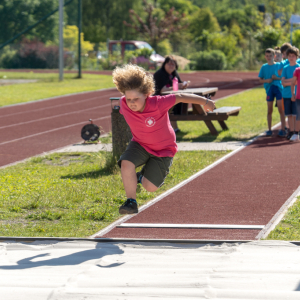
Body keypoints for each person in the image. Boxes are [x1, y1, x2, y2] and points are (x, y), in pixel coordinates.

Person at [112, 64, 215, 214]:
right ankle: (131, 202)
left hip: (164, 149)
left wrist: (205, 102)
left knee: (150, 187)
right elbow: (122, 109)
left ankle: (141, 177)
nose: (132, 103)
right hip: (140, 144)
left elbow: (180, 97)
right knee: (126, 164)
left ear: (146, 94)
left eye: (136, 99)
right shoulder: (123, 104)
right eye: (129, 99)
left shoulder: (158, 103)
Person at [153, 56, 190, 133]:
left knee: (179, 102)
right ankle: (173, 128)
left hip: (171, 97)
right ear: (164, 64)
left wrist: (183, 85)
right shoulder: (159, 74)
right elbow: (162, 90)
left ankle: (174, 128)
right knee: (171, 106)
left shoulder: (174, 73)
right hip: (158, 99)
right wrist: (176, 87)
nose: (171, 66)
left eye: (173, 64)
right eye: (169, 64)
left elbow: (179, 84)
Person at [258, 48, 286, 137]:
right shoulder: (264, 67)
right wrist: (267, 80)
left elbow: (283, 77)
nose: (269, 57)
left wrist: (275, 78)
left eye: (270, 56)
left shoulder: (279, 65)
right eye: (267, 56)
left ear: (274, 56)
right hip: (269, 90)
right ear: (265, 57)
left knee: (281, 110)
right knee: (269, 110)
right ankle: (269, 130)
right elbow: (260, 80)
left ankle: (283, 129)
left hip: (279, 89)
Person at [281, 47, 300, 141]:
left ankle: (297, 131)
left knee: (296, 115)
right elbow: (282, 82)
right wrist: (292, 81)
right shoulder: (285, 68)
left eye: (293, 56)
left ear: (296, 57)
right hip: (286, 94)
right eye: (289, 56)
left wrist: (289, 82)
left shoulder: (298, 67)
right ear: (287, 57)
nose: (291, 58)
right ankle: (291, 131)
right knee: (289, 114)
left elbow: (296, 82)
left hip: (296, 95)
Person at [291, 56, 300, 141]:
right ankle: (296, 134)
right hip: (299, 97)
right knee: (299, 116)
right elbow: (293, 83)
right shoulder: (297, 70)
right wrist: (293, 94)